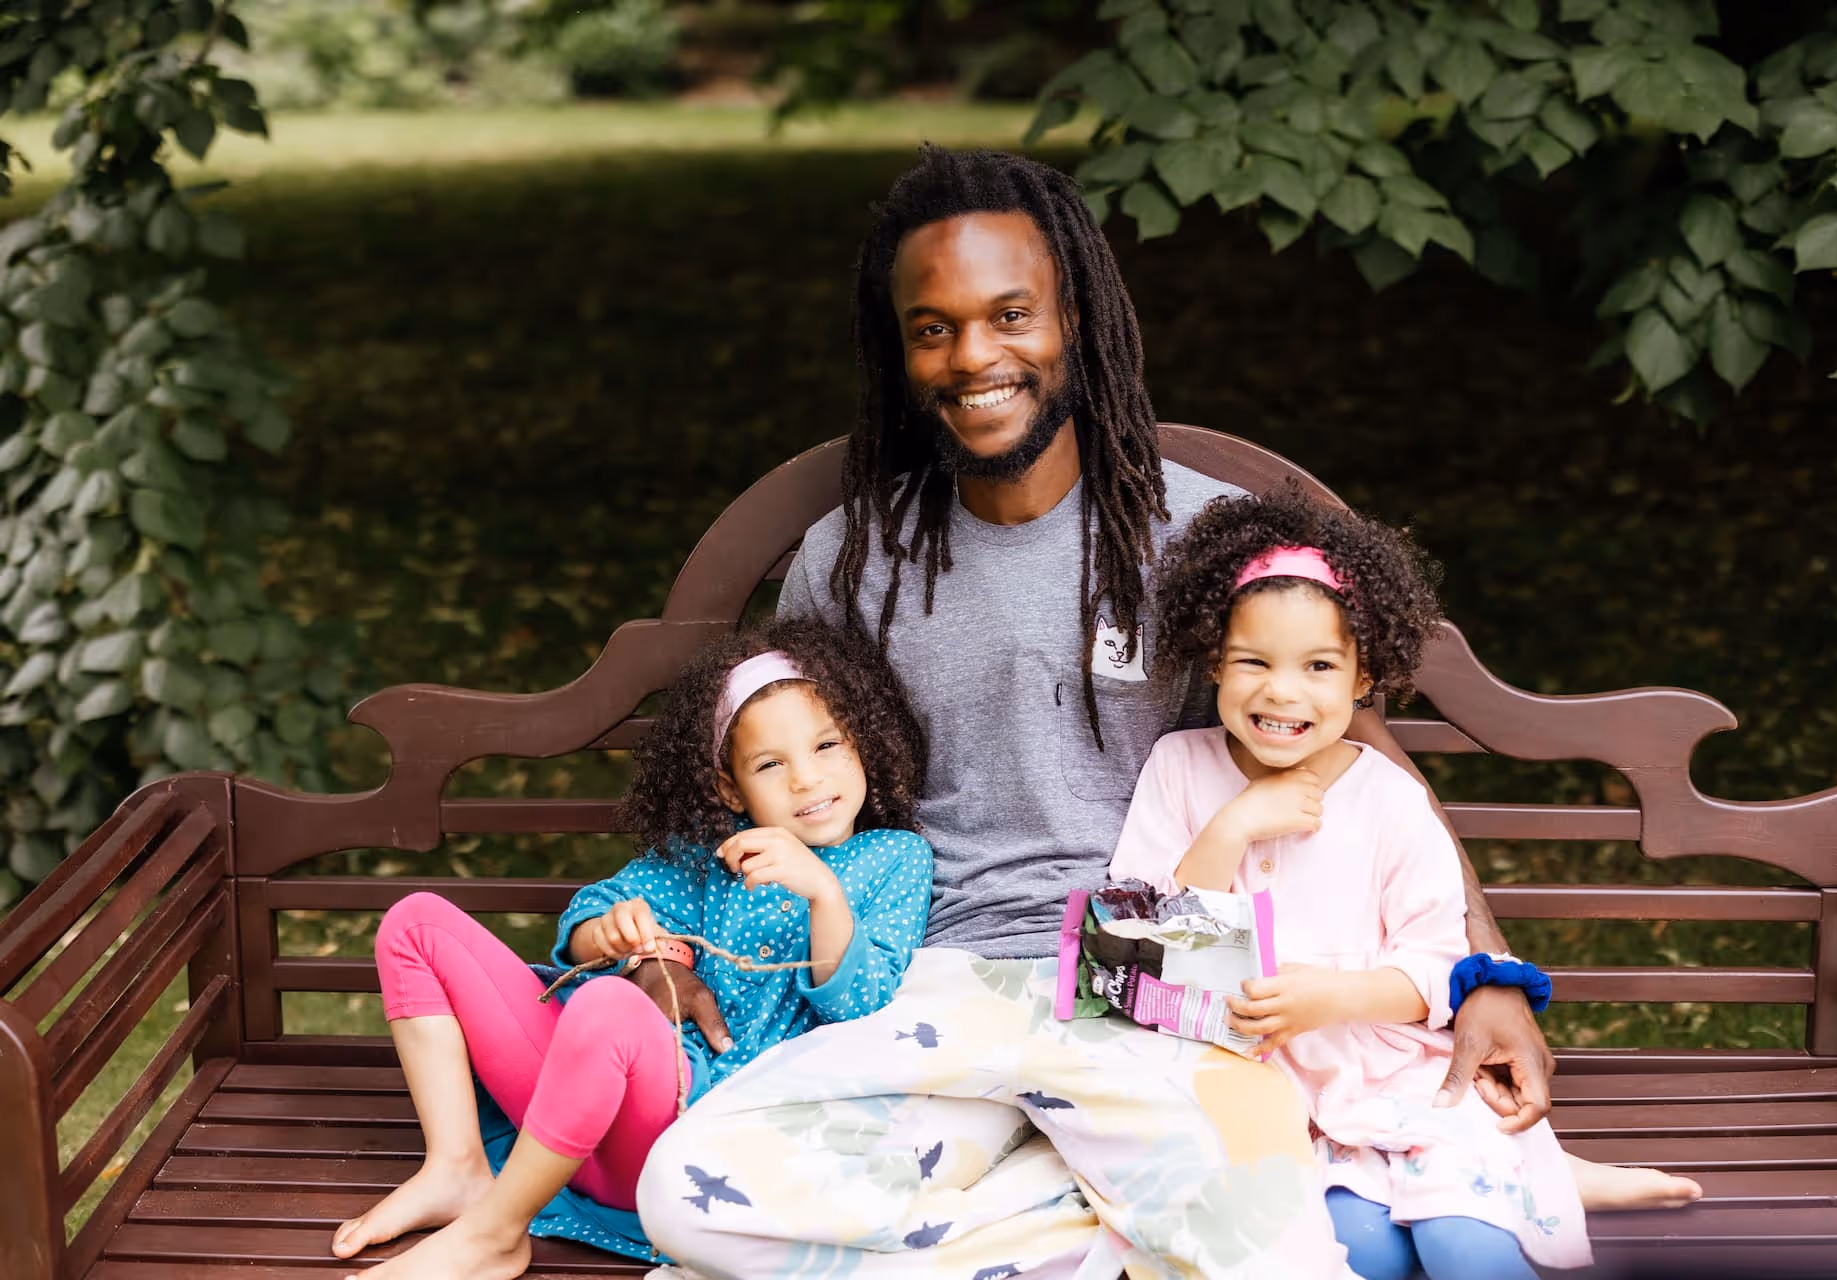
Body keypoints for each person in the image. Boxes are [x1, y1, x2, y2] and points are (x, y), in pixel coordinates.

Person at [634, 147, 1696, 1279]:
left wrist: (1486, 974)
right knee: (686, 1196)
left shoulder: (1198, 536)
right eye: (932, 328)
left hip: (1150, 979)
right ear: (897, 350)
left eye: (1010, 314)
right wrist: (678, 951)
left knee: (1270, 1240)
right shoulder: (852, 558)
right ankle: (1093, 1233)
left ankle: (1076, 1217)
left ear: (1076, 319)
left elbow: (1361, 758)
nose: (974, 355)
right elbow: (781, 767)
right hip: (933, 983)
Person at [327, 617, 933, 1279]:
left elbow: (862, 1002)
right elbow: (589, 916)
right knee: (417, 924)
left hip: (692, 1132)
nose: (806, 780)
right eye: (770, 764)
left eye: (827, 746)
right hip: (582, 1116)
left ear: (862, 747)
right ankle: (457, 1167)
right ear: (730, 787)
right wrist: (622, 937)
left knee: (610, 1009)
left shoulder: (893, 859)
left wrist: (823, 894)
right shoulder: (711, 856)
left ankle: (495, 1233)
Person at [1109, 488, 1606, 1279]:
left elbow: (1438, 963)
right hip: (1267, 1091)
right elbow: (1150, 944)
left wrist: (1332, 998)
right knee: (1360, 1250)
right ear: (1214, 661)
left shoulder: (1389, 799)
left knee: (1462, 1243)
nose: (1282, 692)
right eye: (1253, 662)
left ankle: (1536, 1191)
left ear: (1361, 673)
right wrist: (1233, 825)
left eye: (1318, 666)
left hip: (1395, 1068)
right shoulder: (1179, 770)